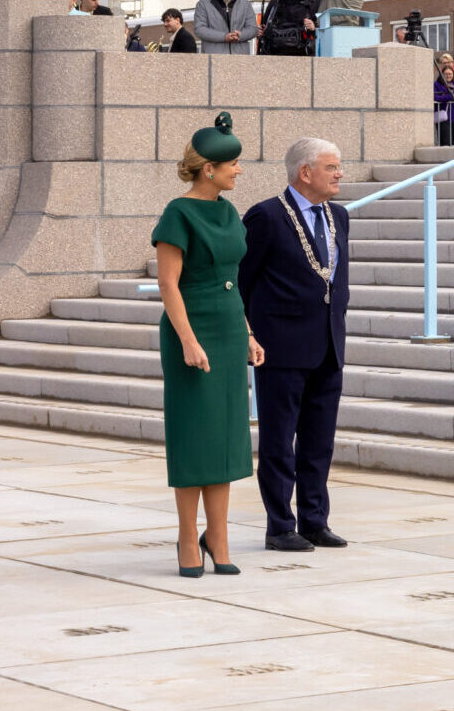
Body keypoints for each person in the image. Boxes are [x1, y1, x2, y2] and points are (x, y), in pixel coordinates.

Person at [153, 113, 263, 576]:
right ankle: (186, 536)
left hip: (228, 329)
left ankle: (218, 536)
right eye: (232, 164)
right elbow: (168, 285)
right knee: (195, 436)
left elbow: (232, 280)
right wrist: (187, 341)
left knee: (225, 439)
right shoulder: (178, 213)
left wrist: (250, 334)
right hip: (190, 331)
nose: (239, 170)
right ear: (208, 170)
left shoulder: (230, 211)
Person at [240, 136, 352, 552]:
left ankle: (314, 519)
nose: (340, 174)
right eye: (331, 167)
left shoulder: (338, 215)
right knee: (278, 439)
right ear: (305, 172)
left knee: (319, 440)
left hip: (328, 342)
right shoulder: (267, 216)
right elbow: (243, 280)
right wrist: (248, 332)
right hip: (281, 347)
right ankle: (279, 525)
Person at [193, 0, 258, 55]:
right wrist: (224, 37)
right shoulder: (203, 4)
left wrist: (240, 35)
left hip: (240, 59)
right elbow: (199, 29)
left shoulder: (245, 4)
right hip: (213, 59)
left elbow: (253, 29)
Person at [432, 63, 454, 145]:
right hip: (442, 117)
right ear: (442, 74)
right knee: (445, 142)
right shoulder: (436, 84)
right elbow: (435, 97)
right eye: (446, 74)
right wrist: (452, 96)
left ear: (453, 74)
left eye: (450, 74)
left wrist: (444, 96)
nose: (448, 76)